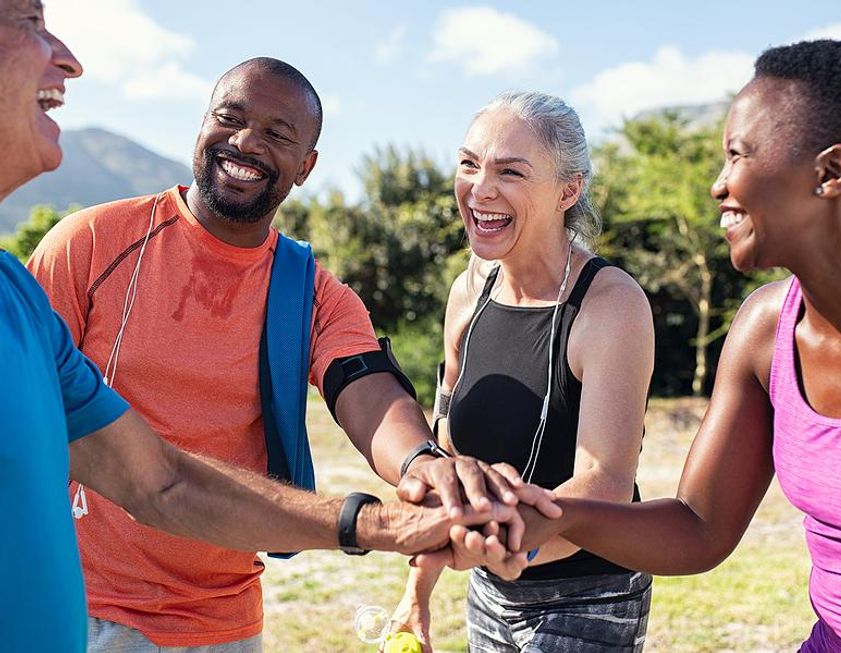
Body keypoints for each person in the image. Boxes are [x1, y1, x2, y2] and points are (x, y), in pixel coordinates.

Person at [0, 4, 549, 653]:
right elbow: (67, 434)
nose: (246, 142)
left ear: (307, 164)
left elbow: (365, 387)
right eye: (229, 118)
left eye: (276, 132)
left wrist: (424, 463)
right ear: (201, 125)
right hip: (89, 609)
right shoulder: (92, 243)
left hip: (227, 621)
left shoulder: (309, 291)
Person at [517, 40, 841, 652]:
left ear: (831, 173)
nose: (718, 185)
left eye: (737, 155)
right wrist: (550, 513)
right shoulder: (765, 328)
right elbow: (698, 528)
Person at [391, 91, 656, 653]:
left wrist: (500, 545)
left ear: (569, 190)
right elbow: (448, 458)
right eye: (469, 164)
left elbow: (604, 486)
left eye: (510, 171)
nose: (480, 189)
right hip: (489, 590)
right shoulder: (467, 294)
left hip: (590, 598)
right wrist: (418, 588)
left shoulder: (609, 304)